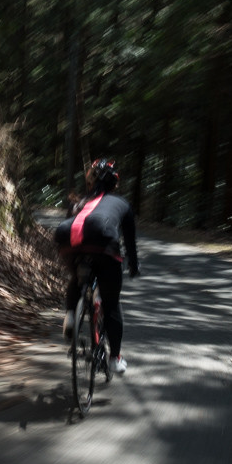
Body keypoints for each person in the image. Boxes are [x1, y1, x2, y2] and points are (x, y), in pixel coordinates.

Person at [53, 158, 139, 374]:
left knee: (77, 277)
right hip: (103, 242)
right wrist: (134, 265)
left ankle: (71, 315)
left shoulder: (78, 202)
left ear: (90, 181)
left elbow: (76, 228)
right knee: (111, 304)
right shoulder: (122, 203)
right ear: (114, 185)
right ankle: (115, 359)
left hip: (66, 239)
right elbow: (130, 242)